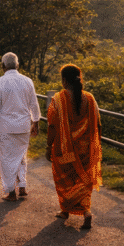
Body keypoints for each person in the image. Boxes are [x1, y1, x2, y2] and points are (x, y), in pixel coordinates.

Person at [45, 64, 102, 230]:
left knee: (65, 180)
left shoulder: (58, 99)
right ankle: (86, 212)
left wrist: (49, 146)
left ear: (64, 80)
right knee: (83, 180)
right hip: (85, 149)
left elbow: (52, 126)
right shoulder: (90, 98)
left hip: (64, 150)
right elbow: (97, 124)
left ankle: (65, 210)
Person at [0, 52, 40, 201]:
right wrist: (36, 122)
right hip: (23, 127)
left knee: (6, 159)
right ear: (17, 65)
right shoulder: (28, 81)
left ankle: (10, 192)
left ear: (3, 66)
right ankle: (22, 186)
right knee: (21, 156)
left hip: (6, 128)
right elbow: (34, 104)